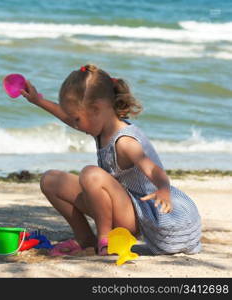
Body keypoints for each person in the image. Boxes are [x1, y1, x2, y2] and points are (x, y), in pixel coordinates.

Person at [21, 64, 201, 256]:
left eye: (77, 120)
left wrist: (164, 189)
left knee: (91, 175)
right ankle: (86, 241)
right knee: (51, 180)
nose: (74, 124)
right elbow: (67, 116)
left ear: (97, 109)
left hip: (145, 216)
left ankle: (105, 240)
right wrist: (38, 101)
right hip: (124, 207)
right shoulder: (100, 129)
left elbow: (153, 170)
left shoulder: (124, 141)